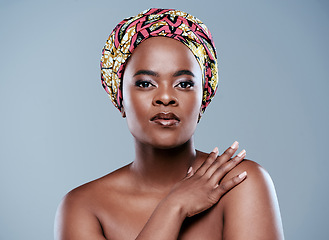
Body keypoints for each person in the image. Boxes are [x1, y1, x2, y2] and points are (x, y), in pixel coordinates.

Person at [54, 8, 284, 240]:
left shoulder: (240, 183)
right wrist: (173, 207)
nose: (165, 97)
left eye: (184, 84)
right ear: (120, 98)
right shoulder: (83, 207)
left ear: (203, 100)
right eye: (145, 83)